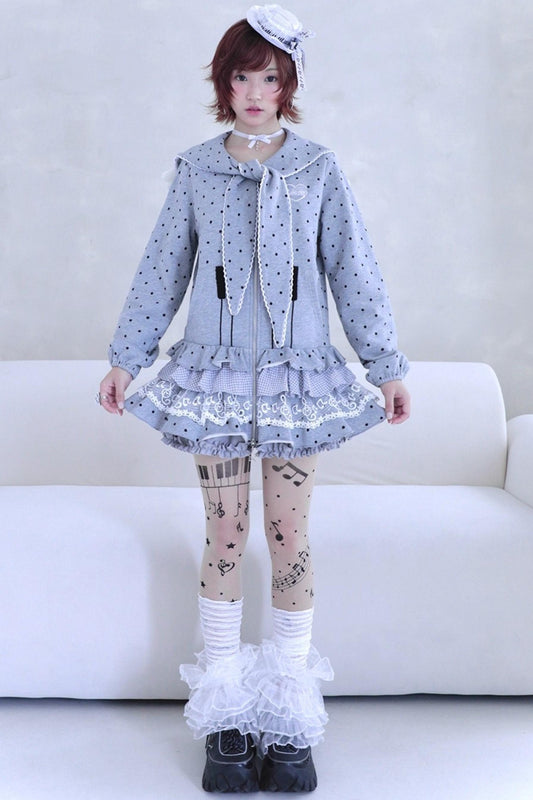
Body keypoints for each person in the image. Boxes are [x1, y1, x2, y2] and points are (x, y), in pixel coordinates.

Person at [98, 4, 410, 793]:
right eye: (241, 76)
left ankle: (288, 719)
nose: (254, 91)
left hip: (297, 380)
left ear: (288, 82)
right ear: (223, 83)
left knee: (288, 532)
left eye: (269, 76)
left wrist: (385, 367)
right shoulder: (196, 169)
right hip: (213, 380)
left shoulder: (317, 169)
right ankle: (226, 718)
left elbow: (353, 268)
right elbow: (162, 268)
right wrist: (126, 359)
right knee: (226, 534)